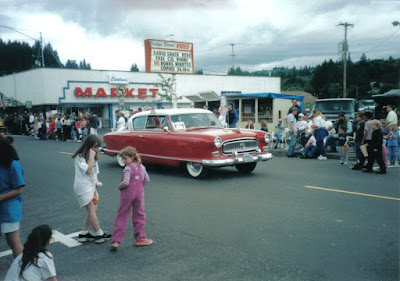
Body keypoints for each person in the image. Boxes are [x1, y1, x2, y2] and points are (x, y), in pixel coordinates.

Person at [111, 147, 152, 250]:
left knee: (122, 215)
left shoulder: (128, 168)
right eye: (122, 159)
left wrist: (119, 186)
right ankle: (140, 238)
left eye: (125, 158)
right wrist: (140, 186)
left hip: (127, 194)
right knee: (139, 214)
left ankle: (116, 240)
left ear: (132, 157)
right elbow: (147, 179)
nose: (124, 161)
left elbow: (125, 182)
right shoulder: (141, 167)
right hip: (139, 193)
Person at [72, 135, 111, 243]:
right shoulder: (80, 157)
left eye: (97, 147)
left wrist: (96, 182)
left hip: (90, 186)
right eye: (94, 147)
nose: (96, 150)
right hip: (82, 186)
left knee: (95, 209)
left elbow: (94, 173)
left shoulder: (92, 158)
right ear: (88, 146)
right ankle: (99, 233)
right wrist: (90, 158)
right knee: (91, 209)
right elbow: (88, 170)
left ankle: (84, 233)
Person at [0, 135, 25, 258]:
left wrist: (1, 197)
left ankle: (23, 269)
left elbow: (19, 189)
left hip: (9, 209)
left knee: (13, 242)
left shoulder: (14, 165)